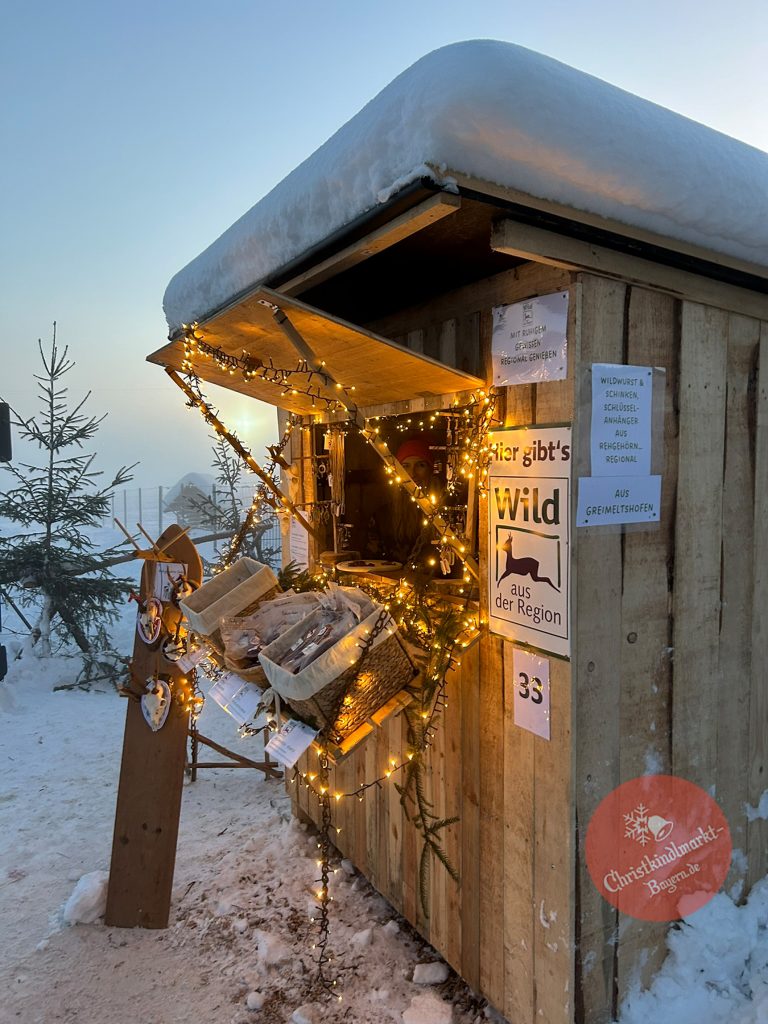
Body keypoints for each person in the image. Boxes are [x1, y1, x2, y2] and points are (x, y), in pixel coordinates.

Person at [368, 438, 442, 566]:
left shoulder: (442, 516)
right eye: (405, 466)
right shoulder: (382, 517)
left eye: (420, 465)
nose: (412, 474)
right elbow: (371, 560)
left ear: (430, 470)